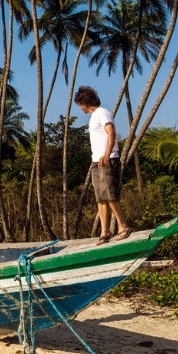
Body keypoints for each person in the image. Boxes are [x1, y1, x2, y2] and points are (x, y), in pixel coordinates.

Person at [74, 86, 133, 245]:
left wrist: (107, 154)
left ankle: (122, 225)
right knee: (100, 197)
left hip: (108, 159)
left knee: (109, 194)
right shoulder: (94, 117)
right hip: (96, 161)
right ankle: (105, 231)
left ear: (86, 102)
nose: (80, 107)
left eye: (80, 104)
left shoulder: (102, 112)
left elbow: (111, 132)